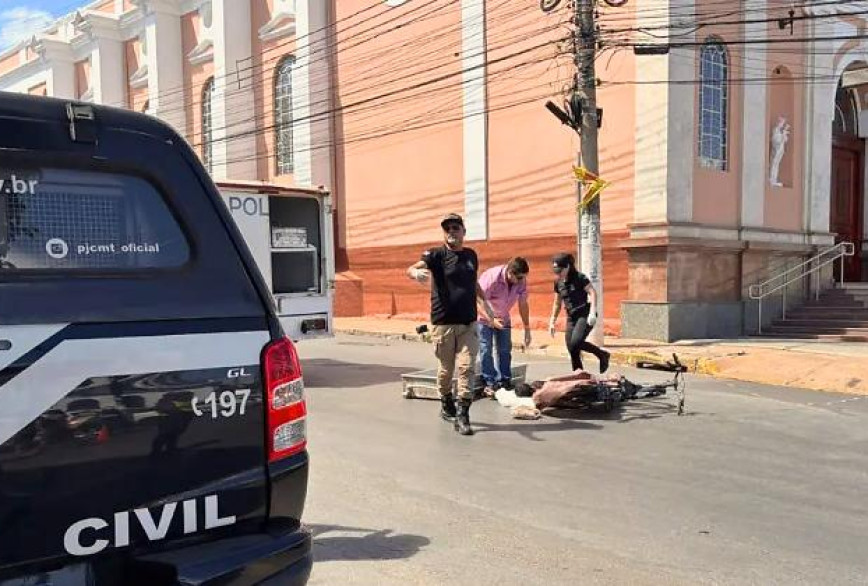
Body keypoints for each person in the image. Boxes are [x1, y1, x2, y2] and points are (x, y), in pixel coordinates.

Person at [406, 213, 502, 436]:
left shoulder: (471, 255)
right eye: (447, 228)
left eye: (455, 227)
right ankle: (446, 401)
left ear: (463, 232)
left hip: (468, 322)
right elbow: (412, 268)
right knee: (446, 370)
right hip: (443, 323)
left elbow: (474, 284)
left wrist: (487, 309)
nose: (451, 231)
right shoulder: (436, 254)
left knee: (467, 367)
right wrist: (415, 273)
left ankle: (463, 414)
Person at [477, 257, 532, 396]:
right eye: (519, 277)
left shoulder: (520, 281)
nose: (521, 281)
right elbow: (477, 300)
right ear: (510, 272)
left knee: (505, 349)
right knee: (485, 348)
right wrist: (491, 319)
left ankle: (504, 380)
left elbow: (523, 304)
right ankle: (489, 382)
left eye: (523, 278)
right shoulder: (491, 278)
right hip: (484, 318)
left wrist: (527, 328)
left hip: (504, 317)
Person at [548, 252, 610, 374]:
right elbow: (557, 302)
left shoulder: (579, 278)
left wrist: (593, 311)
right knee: (571, 348)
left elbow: (592, 292)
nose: (558, 274)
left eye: (560, 271)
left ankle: (602, 354)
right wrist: (552, 321)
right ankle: (578, 376)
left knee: (576, 342)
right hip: (571, 317)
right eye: (556, 271)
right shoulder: (558, 283)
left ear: (568, 267)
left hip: (584, 314)